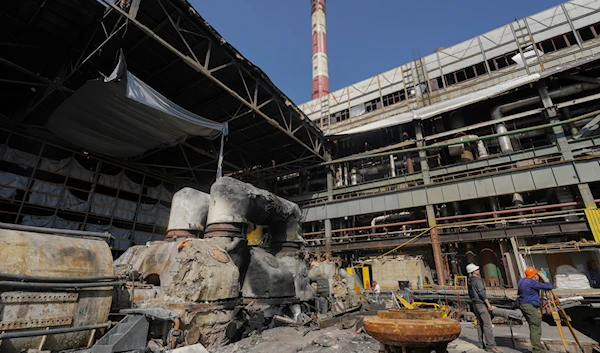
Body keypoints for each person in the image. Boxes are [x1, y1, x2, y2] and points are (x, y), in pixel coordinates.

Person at [467, 263, 502, 353]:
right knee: (487, 325)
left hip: (475, 304)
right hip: (481, 304)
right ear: (473, 272)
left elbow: (470, 294)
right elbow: (481, 293)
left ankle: (481, 343)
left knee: (480, 324)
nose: (478, 270)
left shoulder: (469, 281)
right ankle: (490, 346)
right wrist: (488, 304)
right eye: (477, 269)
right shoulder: (478, 281)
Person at [518, 267, 553, 353]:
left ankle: (537, 347)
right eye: (537, 275)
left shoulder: (522, 281)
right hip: (530, 305)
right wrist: (544, 277)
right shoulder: (531, 283)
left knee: (533, 326)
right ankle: (538, 349)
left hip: (523, 304)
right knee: (535, 327)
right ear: (534, 276)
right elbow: (549, 286)